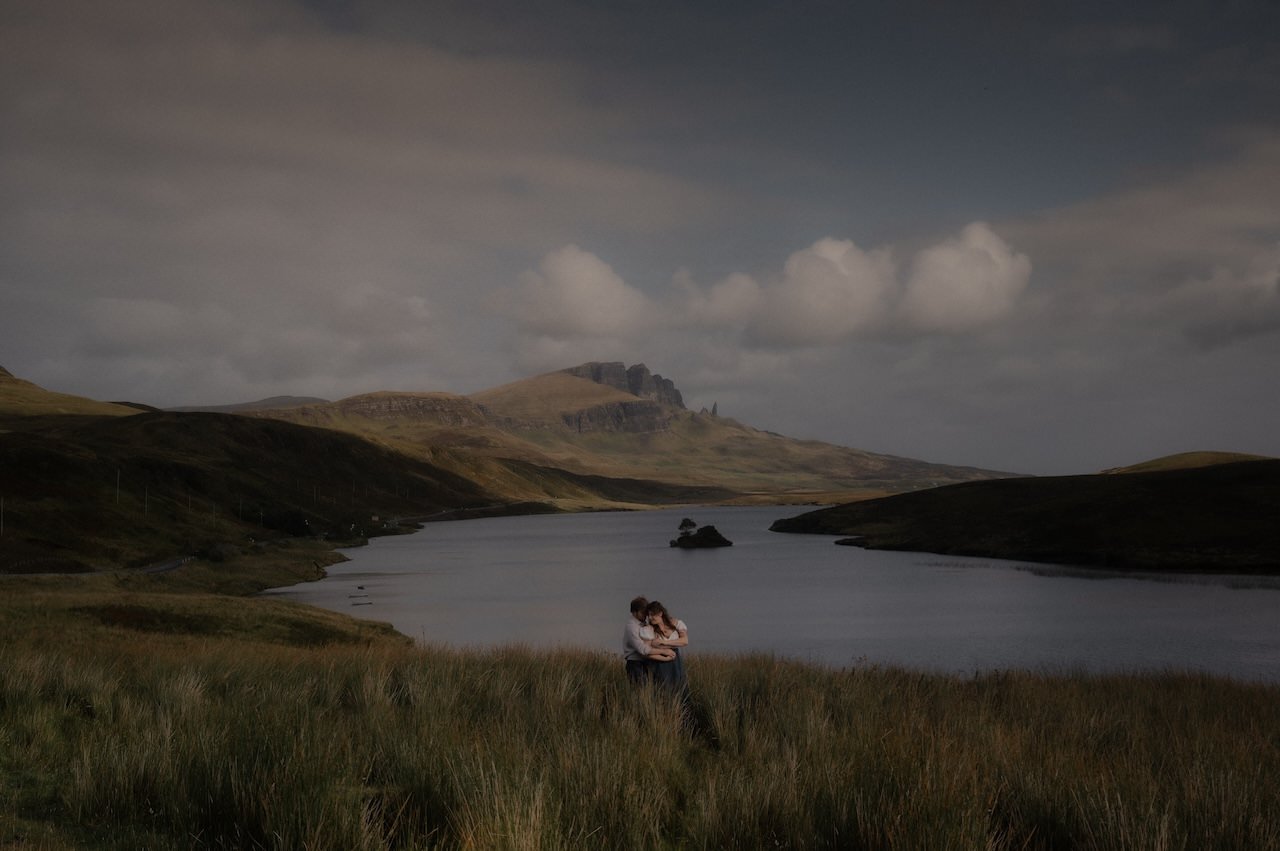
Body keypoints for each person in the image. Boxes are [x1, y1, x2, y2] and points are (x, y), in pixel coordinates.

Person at [623, 596, 675, 684]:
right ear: (634, 612)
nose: (646, 615)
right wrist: (664, 652)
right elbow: (642, 649)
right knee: (640, 692)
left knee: (650, 692)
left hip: (647, 662)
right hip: (635, 664)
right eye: (643, 612)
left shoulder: (644, 623)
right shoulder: (632, 627)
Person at [644, 600, 688, 691]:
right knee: (663, 687)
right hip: (659, 662)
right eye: (649, 615)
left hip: (675, 659)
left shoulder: (676, 623)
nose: (650, 618)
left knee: (679, 685)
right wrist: (664, 654)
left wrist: (664, 643)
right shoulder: (649, 629)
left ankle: (678, 705)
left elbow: (685, 641)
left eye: (652, 614)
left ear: (660, 613)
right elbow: (646, 650)